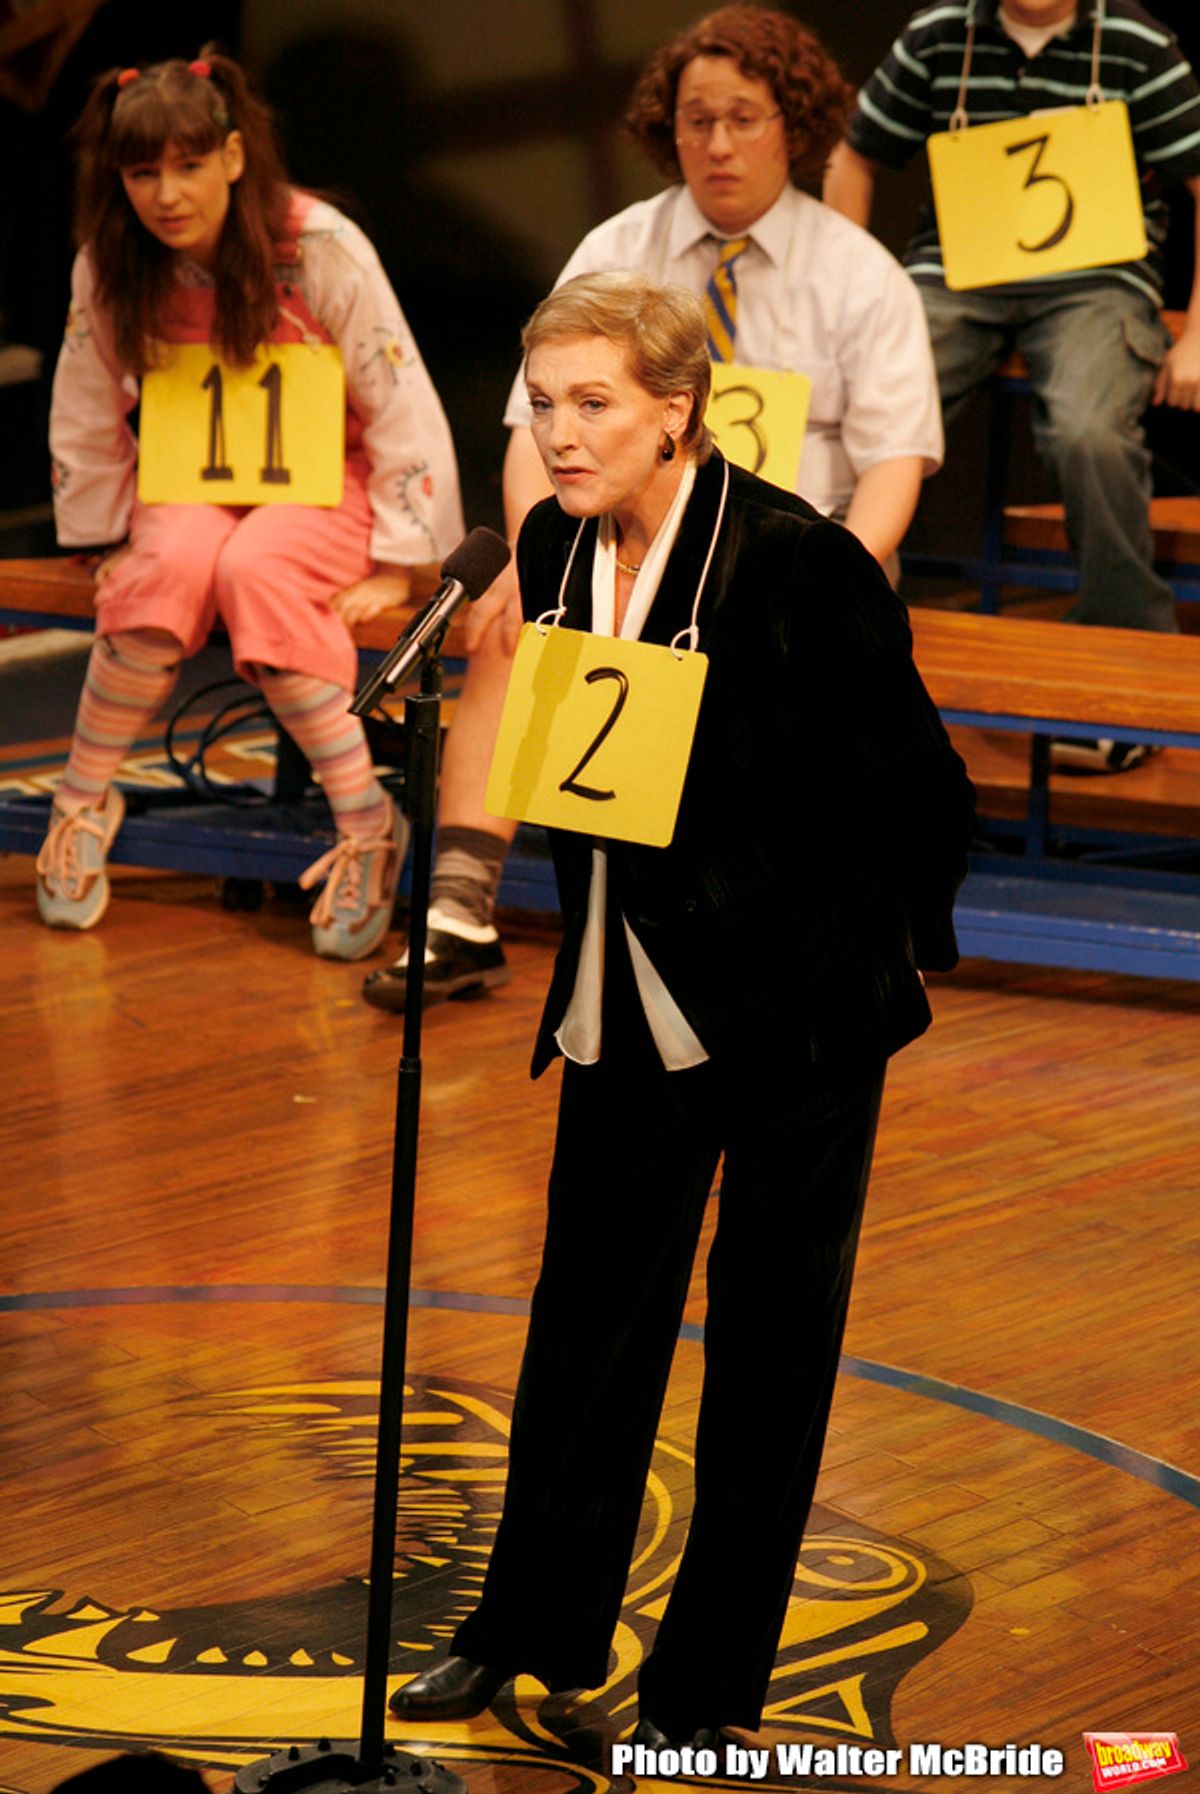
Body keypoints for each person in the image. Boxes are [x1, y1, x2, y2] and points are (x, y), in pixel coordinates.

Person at [386, 272, 975, 1745]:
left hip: (797, 1020)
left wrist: (848, 945)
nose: (559, 435)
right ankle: (530, 1623)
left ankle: (703, 1695)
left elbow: (922, 793)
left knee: (767, 1357)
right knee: (583, 1326)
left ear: (676, 410)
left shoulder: (799, 562)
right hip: (623, 1000)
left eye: (593, 404)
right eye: (543, 404)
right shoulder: (548, 543)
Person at [361, 3, 942, 1013]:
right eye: (696, 120)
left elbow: (894, 464)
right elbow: (532, 429)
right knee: (517, 617)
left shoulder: (859, 272)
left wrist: (828, 572)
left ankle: (775, 917)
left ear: (794, 127)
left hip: (790, 553)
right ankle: (459, 909)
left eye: (743, 119)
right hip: (622, 538)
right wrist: (534, 555)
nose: (717, 144)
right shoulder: (619, 244)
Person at [38, 48, 463, 955]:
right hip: (190, 481)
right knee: (164, 565)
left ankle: (366, 823)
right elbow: (83, 400)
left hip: (330, 483)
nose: (166, 195)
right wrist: (103, 535)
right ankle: (81, 801)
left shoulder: (318, 245)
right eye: (142, 173)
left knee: (259, 568)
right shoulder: (110, 258)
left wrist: (400, 562)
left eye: (189, 166)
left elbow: (397, 394)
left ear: (232, 156)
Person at [824, 0, 1200, 768]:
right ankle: (832, 622)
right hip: (955, 275)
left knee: (1091, 432)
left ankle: (1126, 656)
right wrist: (846, 299)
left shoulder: (1134, 42)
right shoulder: (939, 35)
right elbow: (852, 154)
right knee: (850, 403)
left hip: (1098, 280)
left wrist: (1199, 331)